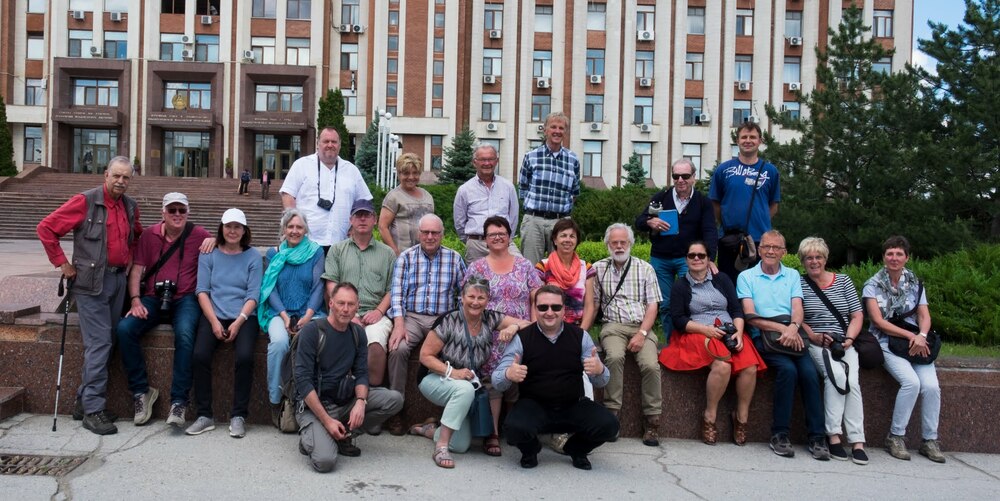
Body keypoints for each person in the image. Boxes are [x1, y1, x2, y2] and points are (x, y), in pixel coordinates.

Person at [37, 156, 142, 435]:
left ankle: (84, 402)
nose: (120, 181)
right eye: (116, 175)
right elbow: (46, 228)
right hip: (90, 284)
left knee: (108, 342)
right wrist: (62, 263)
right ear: (106, 174)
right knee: (99, 344)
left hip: (118, 281)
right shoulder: (85, 201)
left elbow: (136, 237)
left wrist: (130, 258)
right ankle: (93, 410)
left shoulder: (130, 206)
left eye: (126, 177)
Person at [493, 285, 619, 470]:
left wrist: (599, 370)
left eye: (556, 307)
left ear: (564, 309)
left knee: (609, 425)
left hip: (573, 404)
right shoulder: (522, 338)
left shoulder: (580, 336)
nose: (549, 312)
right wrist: (508, 374)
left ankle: (576, 449)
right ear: (535, 309)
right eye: (543, 307)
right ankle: (530, 451)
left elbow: (601, 381)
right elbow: (497, 381)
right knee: (513, 428)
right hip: (534, 406)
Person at [117, 192, 212, 427]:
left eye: (181, 210)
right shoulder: (149, 235)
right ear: (163, 212)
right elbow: (137, 270)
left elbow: (230, 239)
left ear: (188, 212)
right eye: (172, 210)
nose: (177, 214)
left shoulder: (199, 234)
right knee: (125, 329)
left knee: (186, 334)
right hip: (152, 297)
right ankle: (141, 391)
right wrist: (135, 300)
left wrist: (215, 240)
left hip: (186, 299)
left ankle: (179, 401)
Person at [411, 280, 529, 468]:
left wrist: (513, 327)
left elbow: (528, 324)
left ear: (488, 299)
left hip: (465, 384)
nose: (475, 302)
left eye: (481, 298)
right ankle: (441, 448)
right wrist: (453, 372)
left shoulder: (490, 318)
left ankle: (429, 430)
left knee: (460, 445)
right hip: (434, 378)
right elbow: (425, 356)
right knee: (464, 390)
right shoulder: (449, 320)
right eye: (471, 296)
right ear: (462, 298)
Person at [660, 241, 765, 446]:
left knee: (750, 367)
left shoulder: (722, 279)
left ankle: (741, 418)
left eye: (701, 255)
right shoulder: (680, 286)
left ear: (709, 259)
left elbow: (736, 309)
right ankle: (709, 416)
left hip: (729, 330)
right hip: (698, 332)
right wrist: (705, 330)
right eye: (692, 255)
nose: (696, 259)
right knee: (722, 366)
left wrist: (739, 332)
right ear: (686, 259)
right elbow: (679, 320)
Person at [294, 283, 404, 473]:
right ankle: (314, 437)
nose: (345, 309)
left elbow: (361, 373)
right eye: (341, 303)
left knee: (394, 400)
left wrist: (361, 401)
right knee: (325, 462)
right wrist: (327, 421)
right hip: (314, 406)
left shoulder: (357, 333)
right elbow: (303, 382)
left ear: (357, 306)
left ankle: (342, 434)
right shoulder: (312, 332)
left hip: (344, 401)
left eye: (351, 304)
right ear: (331, 303)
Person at [737, 230, 826, 460]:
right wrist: (782, 329)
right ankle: (779, 434)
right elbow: (750, 316)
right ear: (759, 250)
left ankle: (817, 437)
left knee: (809, 374)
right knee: (787, 370)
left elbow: (797, 308)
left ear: (784, 252)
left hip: (792, 334)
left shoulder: (792, 275)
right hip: (764, 336)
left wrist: (793, 327)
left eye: (776, 248)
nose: (771, 251)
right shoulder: (746, 277)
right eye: (766, 247)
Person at [863, 235, 945, 463]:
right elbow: (878, 321)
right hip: (886, 341)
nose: (894, 258)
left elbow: (924, 315)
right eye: (890, 253)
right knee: (911, 383)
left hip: (916, 342)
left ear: (907, 257)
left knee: (931, 387)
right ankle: (896, 436)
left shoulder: (915, 283)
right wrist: (911, 336)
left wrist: (922, 336)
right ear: (883, 257)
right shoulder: (872, 285)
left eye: (899, 254)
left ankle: (930, 440)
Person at [384, 214, 466, 435]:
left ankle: (445, 413)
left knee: (455, 351)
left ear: (442, 234)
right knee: (398, 348)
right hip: (412, 317)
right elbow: (397, 293)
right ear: (418, 234)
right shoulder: (406, 258)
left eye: (435, 233)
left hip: (442, 319)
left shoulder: (454, 258)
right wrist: (399, 324)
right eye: (426, 232)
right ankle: (395, 408)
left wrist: (457, 322)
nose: (430, 237)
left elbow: (464, 294)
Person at [186, 208, 263, 438]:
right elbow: (202, 290)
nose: (232, 231)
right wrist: (213, 322)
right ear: (221, 228)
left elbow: (253, 294)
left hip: (244, 316)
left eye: (237, 227)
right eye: (228, 226)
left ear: (244, 230)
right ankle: (204, 415)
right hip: (214, 313)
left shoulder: (253, 256)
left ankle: (238, 415)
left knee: (245, 357)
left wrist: (238, 322)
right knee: (199, 355)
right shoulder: (209, 253)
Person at [587, 223, 662, 446]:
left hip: (641, 325)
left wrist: (642, 333)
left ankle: (652, 420)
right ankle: (612, 415)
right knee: (614, 357)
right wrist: (583, 332)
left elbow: (653, 306)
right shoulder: (598, 268)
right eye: (614, 243)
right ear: (607, 245)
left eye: (623, 242)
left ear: (630, 243)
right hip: (613, 326)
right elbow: (594, 303)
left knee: (651, 365)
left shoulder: (645, 268)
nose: (619, 246)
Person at [797, 237, 868, 464]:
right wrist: (812, 335)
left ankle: (857, 440)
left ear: (825, 259)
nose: (814, 261)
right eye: (809, 258)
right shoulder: (799, 283)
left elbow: (857, 315)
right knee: (836, 377)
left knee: (853, 383)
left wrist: (849, 338)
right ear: (803, 261)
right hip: (817, 343)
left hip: (844, 341)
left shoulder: (844, 281)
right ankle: (834, 436)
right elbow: (797, 317)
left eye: (818, 257)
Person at [636, 158, 718, 333]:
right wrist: (650, 222)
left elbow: (710, 231)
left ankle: (687, 341)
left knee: (690, 302)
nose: (680, 180)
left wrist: (710, 258)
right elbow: (639, 221)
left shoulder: (703, 202)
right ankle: (670, 342)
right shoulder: (661, 197)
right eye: (676, 176)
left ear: (694, 177)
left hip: (688, 260)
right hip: (661, 259)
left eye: (685, 176)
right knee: (665, 305)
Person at [323, 199, 396, 395]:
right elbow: (331, 284)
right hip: (343, 311)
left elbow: (392, 289)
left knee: (376, 343)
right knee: (336, 341)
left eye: (367, 215)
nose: (362, 219)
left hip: (376, 313)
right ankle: (337, 393)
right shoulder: (337, 250)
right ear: (351, 220)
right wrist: (346, 312)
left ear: (375, 220)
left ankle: (371, 396)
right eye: (358, 215)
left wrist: (379, 311)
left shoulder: (388, 253)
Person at [260, 209, 325, 426]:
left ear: (306, 230)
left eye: (299, 227)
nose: (294, 231)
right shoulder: (274, 253)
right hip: (279, 312)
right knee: (279, 343)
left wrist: (307, 315)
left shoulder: (316, 252)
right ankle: (275, 400)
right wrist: (285, 316)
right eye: (290, 226)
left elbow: (318, 287)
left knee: (315, 343)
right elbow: (270, 288)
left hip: (310, 313)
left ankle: (313, 399)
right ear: (284, 229)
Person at [708, 122, 780, 282]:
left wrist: (759, 221)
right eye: (744, 137)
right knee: (729, 285)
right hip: (730, 240)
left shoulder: (770, 171)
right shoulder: (723, 170)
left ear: (760, 141)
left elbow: (773, 205)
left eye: (752, 137)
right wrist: (727, 224)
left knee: (759, 285)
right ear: (737, 141)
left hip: (760, 240)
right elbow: (715, 203)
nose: (748, 140)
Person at [280, 127, 373, 249]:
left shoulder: (351, 171)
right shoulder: (301, 165)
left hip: (341, 243)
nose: (330, 145)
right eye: (326, 141)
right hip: (306, 243)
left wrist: (354, 226)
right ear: (317, 144)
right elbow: (288, 195)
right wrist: (293, 226)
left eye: (334, 142)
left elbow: (364, 202)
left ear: (339, 145)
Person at [518, 111, 581, 264]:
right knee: (531, 268)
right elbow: (523, 188)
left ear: (565, 132)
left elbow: (574, 192)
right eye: (553, 127)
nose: (557, 131)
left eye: (561, 128)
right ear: (545, 129)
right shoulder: (531, 156)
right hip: (534, 221)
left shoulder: (573, 160)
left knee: (560, 268)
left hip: (561, 223)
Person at [454, 143, 520, 263]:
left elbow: (514, 217)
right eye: (483, 159)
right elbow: (459, 222)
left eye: (490, 159)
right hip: (477, 245)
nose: (487, 163)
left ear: (496, 161)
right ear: (474, 162)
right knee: (477, 276)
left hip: (503, 242)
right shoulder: (464, 190)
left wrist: (507, 238)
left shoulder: (508, 187)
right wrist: (470, 241)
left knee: (520, 266)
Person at [535, 218, 595, 326]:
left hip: (577, 327)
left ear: (577, 241)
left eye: (572, 236)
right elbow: (537, 303)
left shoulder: (586, 268)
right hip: (549, 326)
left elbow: (589, 306)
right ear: (555, 240)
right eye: (563, 235)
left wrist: (582, 333)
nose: (568, 240)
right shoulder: (542, 267)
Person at [379, 153, 434, 255]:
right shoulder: (393, 197)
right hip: (402, 255)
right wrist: (395, 252)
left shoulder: (428, 197)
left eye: (415, 173)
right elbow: (383, 227)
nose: (411, 177)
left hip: (424, 256)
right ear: (399, 174)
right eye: (406, 173)